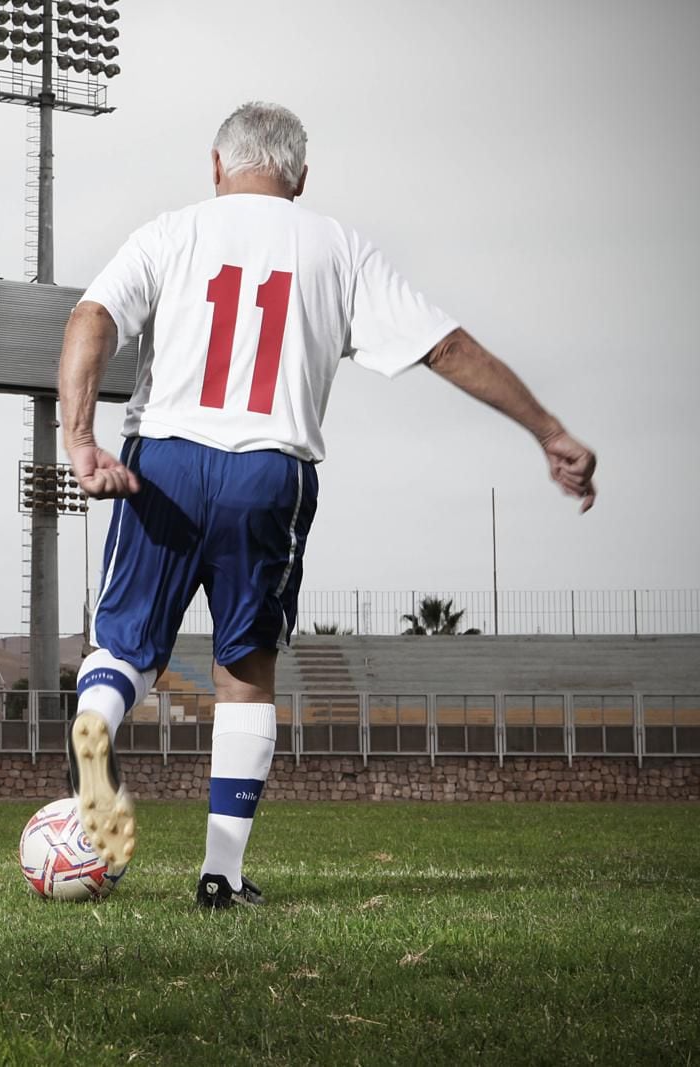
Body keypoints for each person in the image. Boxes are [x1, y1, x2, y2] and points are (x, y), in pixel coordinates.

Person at [57, 101, 598, 909]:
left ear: (216, 166)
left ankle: (100, 713)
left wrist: (80, 442)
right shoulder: (337, 247)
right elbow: (444, 347)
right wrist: (547, 429)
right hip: (269, 471)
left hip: (163, 458)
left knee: (125, 647)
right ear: (301, 177)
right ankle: (221, 874)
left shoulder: (172, 232)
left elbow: (90, 317)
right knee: (244, 672)